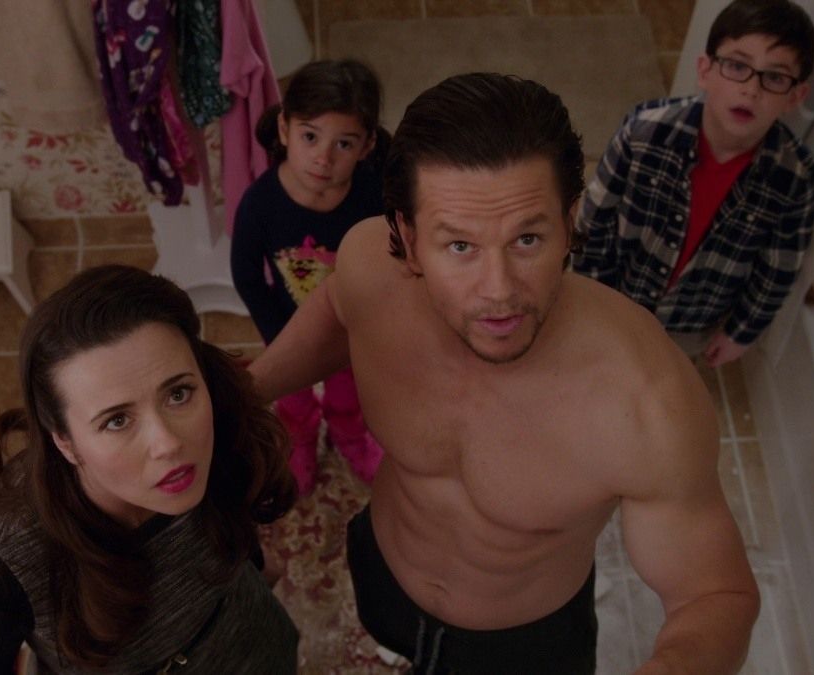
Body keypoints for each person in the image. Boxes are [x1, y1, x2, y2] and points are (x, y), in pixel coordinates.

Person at [248, 72, 760, 673]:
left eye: (527, 239)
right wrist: (247, 389)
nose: (498, 291)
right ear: (408, 239)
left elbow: (714, 595)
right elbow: (336, 313)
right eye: (460, 247)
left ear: (569, 223)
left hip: (524, 640)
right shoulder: (370, 268)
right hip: (385, 571)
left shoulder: (646, 398)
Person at [0, 265, 299, 673]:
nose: (169, 444)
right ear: (64, 441)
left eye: (178, 393)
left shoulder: (221, 419)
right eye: (117, 421)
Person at [574, 0, 814, 367]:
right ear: (705, 71)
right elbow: (594, 219)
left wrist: (740, 333)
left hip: (691, 323)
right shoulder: (644, 132)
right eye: (737, 66)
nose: (752, 89)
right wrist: (593, 292)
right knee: (600, 363)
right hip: (619, 295)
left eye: (775, 77)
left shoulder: (795, 179)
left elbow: (777, 270)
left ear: (795, 97)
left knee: (660, 375)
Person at [230, 58, 387, 495]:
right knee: (292, 398)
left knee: (353, 392)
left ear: (367, 146)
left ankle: (350, 435)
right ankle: (298, 440)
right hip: (289, 328)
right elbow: (246, 276)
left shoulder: (375, 196)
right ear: (285, 129)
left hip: (353, 327)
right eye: (311, 136)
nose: (323, 157)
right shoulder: (259, 204)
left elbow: (390, 258)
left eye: (344, 143)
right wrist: (282, 339)